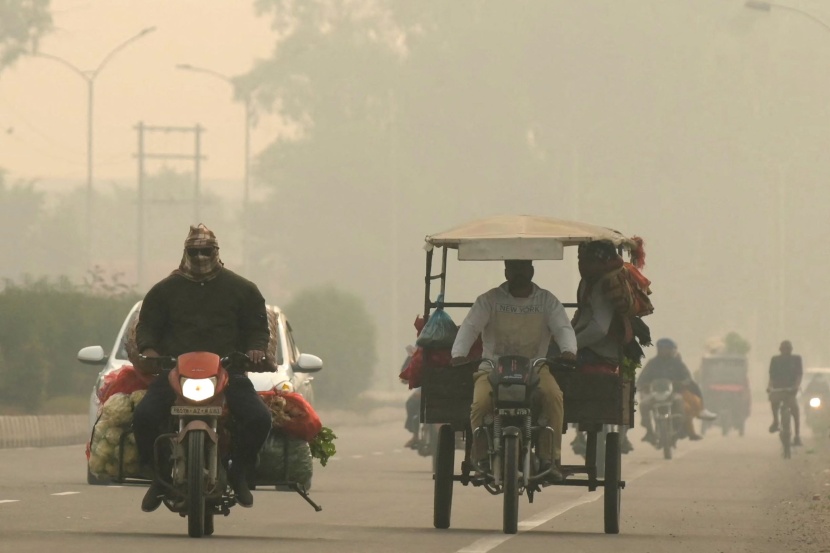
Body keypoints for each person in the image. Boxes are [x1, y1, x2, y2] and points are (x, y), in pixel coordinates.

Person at [132, 224, 273, 512]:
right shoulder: (164, 291)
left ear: (216, 252)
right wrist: (148, 349)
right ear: (185, 252)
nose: (200, 257)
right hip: (175, 372)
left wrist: (255, 350)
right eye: (194, 252)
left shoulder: (243, 289)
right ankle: (158, 478)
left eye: (205, 251)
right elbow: (147, 326)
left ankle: (240, 471)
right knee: (144, 416)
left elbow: (258, 327)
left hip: (228, 371)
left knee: (260, 418)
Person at [451, 259, 577, 482]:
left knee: (553, 397)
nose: (519, 273)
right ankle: (480, 460)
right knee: (480, 404)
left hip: (535, 365)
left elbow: (563, 328)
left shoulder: (546, 301)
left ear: (531, 271)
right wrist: (458, 354)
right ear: (506, 271)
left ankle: (550, 459)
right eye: (514, 269)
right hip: (492, 366)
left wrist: (569, 351)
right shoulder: (490, 300)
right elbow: (470, 327)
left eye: (523, 268)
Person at [568, 240, 637, 454]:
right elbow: (582, 317)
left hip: (600, 351)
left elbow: (599, 328)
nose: (580, 264)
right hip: (588, 346)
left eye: (583, 259)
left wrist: (569, 346)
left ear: (596, 259)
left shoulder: (603, 284)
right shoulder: (588, 282)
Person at [637, 338, 716, 442]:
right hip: (654, 394)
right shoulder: (652, 363)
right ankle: (649, 432)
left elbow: (688, 378)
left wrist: (682, 383)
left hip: (673, 394)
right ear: (658, 349)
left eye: (668, 349)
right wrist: (642, 385)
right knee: (643, 404)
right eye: (662, 349)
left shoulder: (678, 364)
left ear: (672, 350)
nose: (665, 351)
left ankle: (679, 428)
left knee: (680, 403)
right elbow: (642, 378)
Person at [767, 340, 803, 446]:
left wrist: (796, 386)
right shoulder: (775, 360)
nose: (786, 351)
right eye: (784, 349)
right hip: (777, 389)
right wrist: (769, 387)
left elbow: (799, 375)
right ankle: (776, 421)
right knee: (774, 402)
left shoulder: (796, 359)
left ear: (791, 349)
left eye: (788, 349)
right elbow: (772, 377)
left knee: (795, 411)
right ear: (780, 350)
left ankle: (797, 436)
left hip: (791, 391)